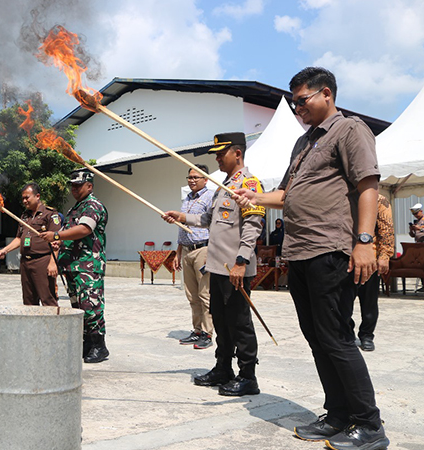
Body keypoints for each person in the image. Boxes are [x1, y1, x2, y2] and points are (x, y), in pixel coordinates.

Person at [232, 67, 389, 449]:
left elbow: (368, 184)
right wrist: (253, 198)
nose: (297, 108)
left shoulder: (349, 130)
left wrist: (365, 240)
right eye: (294, 102)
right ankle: (337, 414)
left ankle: (369, 425)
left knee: (336, 337)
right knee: (317, 338)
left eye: (302, 100)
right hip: (299, 253)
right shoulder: (302, 144)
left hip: (329, 249)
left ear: (327, 94)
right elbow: (284, 195)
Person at [163, 132, 265, 396]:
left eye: (222, 153)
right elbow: (207, 219)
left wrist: (241, 261)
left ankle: (248, 376)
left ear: (238, 154)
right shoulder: (223, 186)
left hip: (235, 269)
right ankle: (223, 368)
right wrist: (181, 216)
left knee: (240, 323)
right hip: (217, 267)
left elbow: (253, 227)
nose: (218, 158)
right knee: (220, 321)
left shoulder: (250, 185)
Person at [41, 170, 109, 363]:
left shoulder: (93, 205)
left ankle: (99, 346)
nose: (74, 188)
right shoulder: (75, 209)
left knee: (91, 306)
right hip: (72, 266)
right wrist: (59, 242)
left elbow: (85, 229)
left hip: (88, 265)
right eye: (72, 185)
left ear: (90, 186)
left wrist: (56, 236)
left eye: (78, 185)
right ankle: (86, 343)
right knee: (78, 307)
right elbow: (66, 233)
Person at [0, 183, 61, 306]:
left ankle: (53, 325)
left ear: (37, 196)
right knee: (29, 301)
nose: (24, 201)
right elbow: (19, 239)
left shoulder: (50, 214)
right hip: (26, 262)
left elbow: (56, 241)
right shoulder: (24, 216)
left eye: (27, 197)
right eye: (23, 198)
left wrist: (53, 263)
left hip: (43, 261)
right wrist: (5, 250)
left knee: (47, 299)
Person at [174, 165, 214, 349]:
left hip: (203, 250)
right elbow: (182, 227)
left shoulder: (210, 197)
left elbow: (213, 226)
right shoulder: (187, 198)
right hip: (187, 250)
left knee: (205, 294)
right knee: (192, 295)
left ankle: (207, 332)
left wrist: (212, 252)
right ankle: (197, 330)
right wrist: (178, 251)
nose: (191, 180)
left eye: (195, 177)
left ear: (205, 179)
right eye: (189, 177)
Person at [353, 194, 394, 352]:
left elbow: (386, 228)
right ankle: (347, 333)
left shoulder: (379, 199)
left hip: (370, 257)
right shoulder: (342, 194)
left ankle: (367, 335)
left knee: (369, 300)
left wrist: (384, 256)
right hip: (344, 257)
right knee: (341, 301)